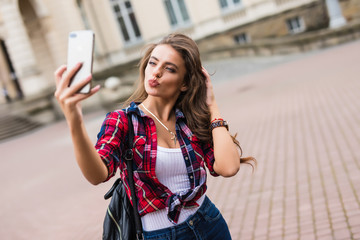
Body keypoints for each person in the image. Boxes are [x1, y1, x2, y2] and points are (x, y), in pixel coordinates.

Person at [54, 33, 255, 240]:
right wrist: (75, 123)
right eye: (153, 63)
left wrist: (212, 107)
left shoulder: (190, 120)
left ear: (184, 83)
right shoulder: (123, 122)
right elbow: (97, 175)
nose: (156, 72)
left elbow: (228, 167)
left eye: (169, 68)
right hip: (160, 235)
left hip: (209, 224)